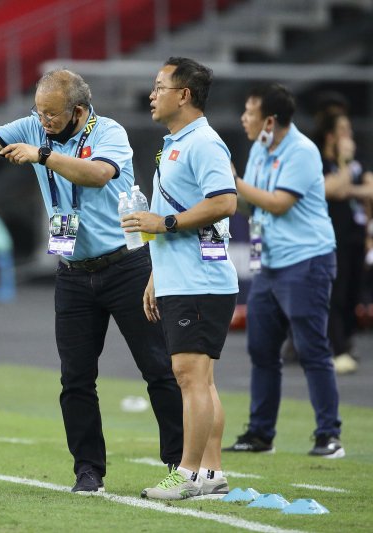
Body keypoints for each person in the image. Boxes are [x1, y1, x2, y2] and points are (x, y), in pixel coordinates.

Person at [0, 69, 183, 492]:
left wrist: (42, 155)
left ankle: (179, 465)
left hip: (127, 267)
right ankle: (88, 471)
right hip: (74, 274)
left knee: (157, 369)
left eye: (51, 115)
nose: (42, 122)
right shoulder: (32, 125)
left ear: (78, 111)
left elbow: (98, 174)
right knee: (75, 378)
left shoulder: (110, 132)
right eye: (39, 113)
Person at [128, 58, 238, 500]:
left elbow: (225, 202)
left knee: (189, 376)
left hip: (201, 280)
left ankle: (187, 473)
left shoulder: (204, 143)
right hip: (181, 278)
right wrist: (157, 274)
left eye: (159, 87)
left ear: (184, 94)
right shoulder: (176, 142)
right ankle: (211, 473)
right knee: (200, 379)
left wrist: (166, 223)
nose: (152, 95)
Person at [224, 83, 344, 458]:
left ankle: (329, 435)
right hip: (271, 264)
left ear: (269, 121)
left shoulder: (303, 151)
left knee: (312, 349)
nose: (244, 118)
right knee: (261, 350)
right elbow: (254, 206)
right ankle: (261, 434)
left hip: (306, 261)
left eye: (249, 112)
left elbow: (278, 204)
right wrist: (226, 193)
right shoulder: (261, 148)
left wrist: (234, 181)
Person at [316, 111, 373, 374]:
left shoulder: (357, 162)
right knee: (335, 293)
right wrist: (345, 163)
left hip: (356, 235)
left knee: (353, 292)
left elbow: (369, 189)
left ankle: (346, 342)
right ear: (330, 135)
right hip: (331, 236)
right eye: (343, 130)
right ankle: (335, 347)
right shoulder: (324, 160)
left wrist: (347, 184)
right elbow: (333, 189)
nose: (348, 135)